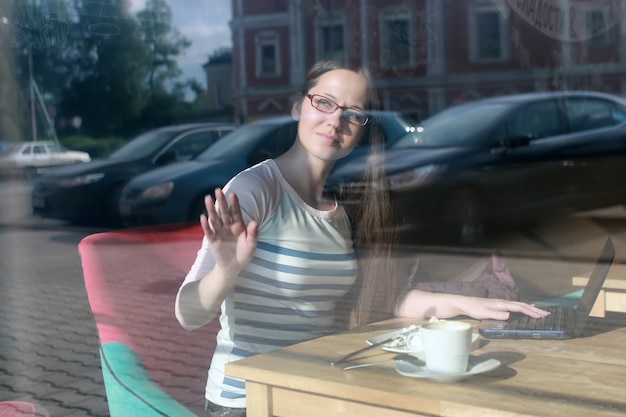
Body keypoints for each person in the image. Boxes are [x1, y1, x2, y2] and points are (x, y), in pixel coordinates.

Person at [175, 60, 549, 416]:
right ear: (296, 106)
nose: (335, 120)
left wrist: (472, 305)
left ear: (362, 129)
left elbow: (376, 299)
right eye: (323, 102)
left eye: (352, 113)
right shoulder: (257, 188)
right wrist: (225, 271)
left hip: (317, 390)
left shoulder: (340, 209)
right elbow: (188, 314)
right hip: (249, 400)